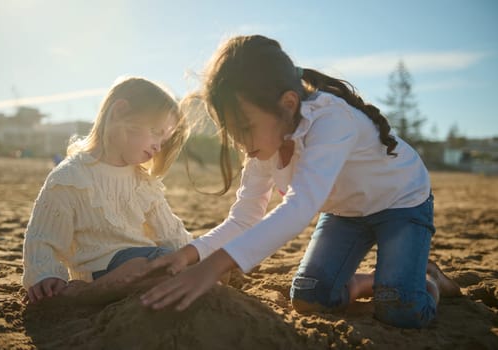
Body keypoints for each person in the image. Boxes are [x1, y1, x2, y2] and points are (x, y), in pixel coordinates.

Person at [137, 35, 461, 329]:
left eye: (245, 126)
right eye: (231, 129)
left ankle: (428, 279)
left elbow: (300, 206)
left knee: (401, 310)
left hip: (401, 201)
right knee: (310, 297)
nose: (238, 141)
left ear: (288, 103)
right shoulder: (262, 147)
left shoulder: (332, 119)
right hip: (346, 213)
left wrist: (215, 267)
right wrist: (191, 255)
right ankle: (371, 281)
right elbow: (244, 218)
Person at [22, 76, 192, 304]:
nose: (158, 146)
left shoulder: (143, 182)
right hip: (104, 270)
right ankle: (88, 295)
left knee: (188, 263)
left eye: (163, 139)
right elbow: (43, 238)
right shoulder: (70, 177)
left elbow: (171, 234)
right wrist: (46, 275)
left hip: (148, 259)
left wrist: (194, 255)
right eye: (155, 131)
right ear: (120, 112)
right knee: (144, 266)